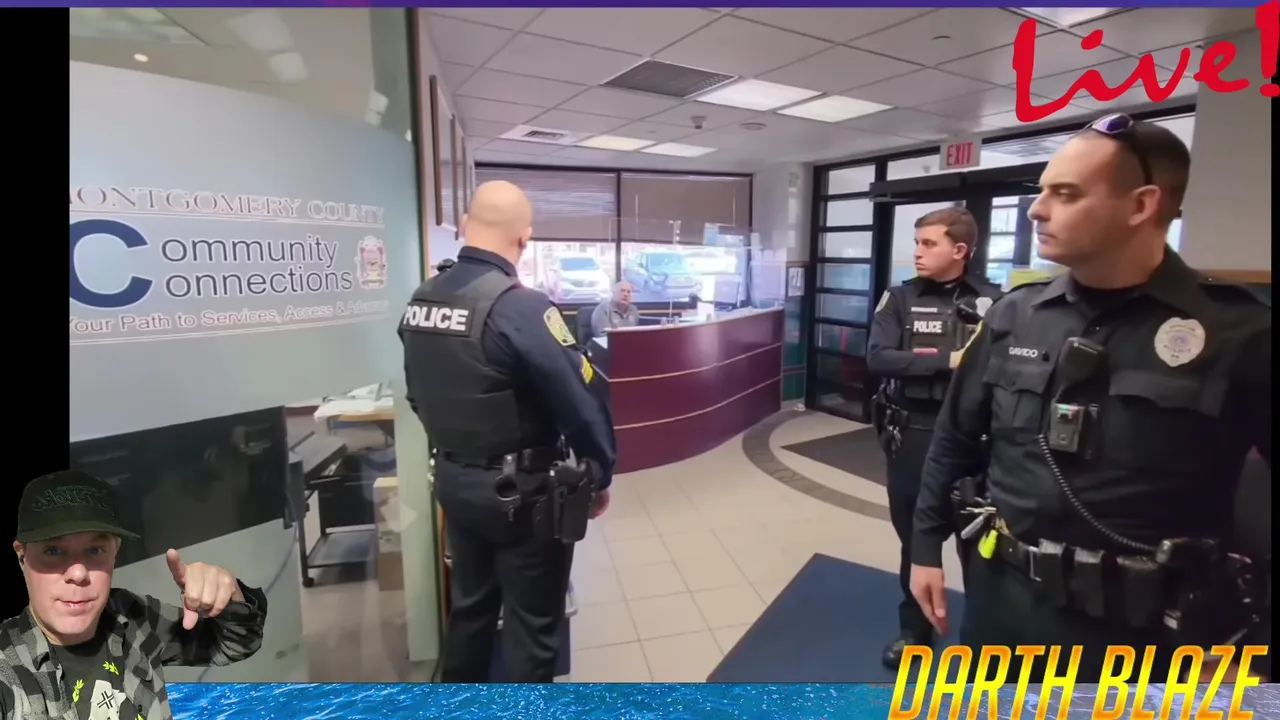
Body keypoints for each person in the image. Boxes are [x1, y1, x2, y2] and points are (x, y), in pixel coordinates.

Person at [910, 114, 1272, 684]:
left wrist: (1259, 642)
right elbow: (953, 439)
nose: (1036, 210)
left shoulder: (1241, 333)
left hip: (1145, 634)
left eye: (1066, 193)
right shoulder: (1014, 315)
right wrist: (925, 547)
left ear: (1141, 205)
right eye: (1042, 191)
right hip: (1005, 604)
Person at [399, 180, 617, 683]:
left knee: (470, 613)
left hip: (455, 484)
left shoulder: (422, 300)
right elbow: (580, 402)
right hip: (522, 498)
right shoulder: (522, 307)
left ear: (465, 226)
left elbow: (416, 394)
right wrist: (600, 471)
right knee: (531, 630)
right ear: (525, 238)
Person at [1, 470, 267, 720]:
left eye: (95, 550)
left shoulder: (133, 616)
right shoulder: (6, 666)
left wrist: (229, 596)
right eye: (53, 551)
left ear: (114, 552)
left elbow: (235, 646)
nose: (79, 573)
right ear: (22, 556)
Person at [868, 206, 1003, 670]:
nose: (918, 252)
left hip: (975, 442)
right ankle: (915, 633)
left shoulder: (994, 302)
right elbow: (879, 358)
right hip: (914, 434)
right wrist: (950, 362)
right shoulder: (899, 298)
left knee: (979, 545)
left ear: (960, 250)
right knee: (914, 541)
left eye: (929, 244)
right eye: (917, 243)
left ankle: (980, 639)